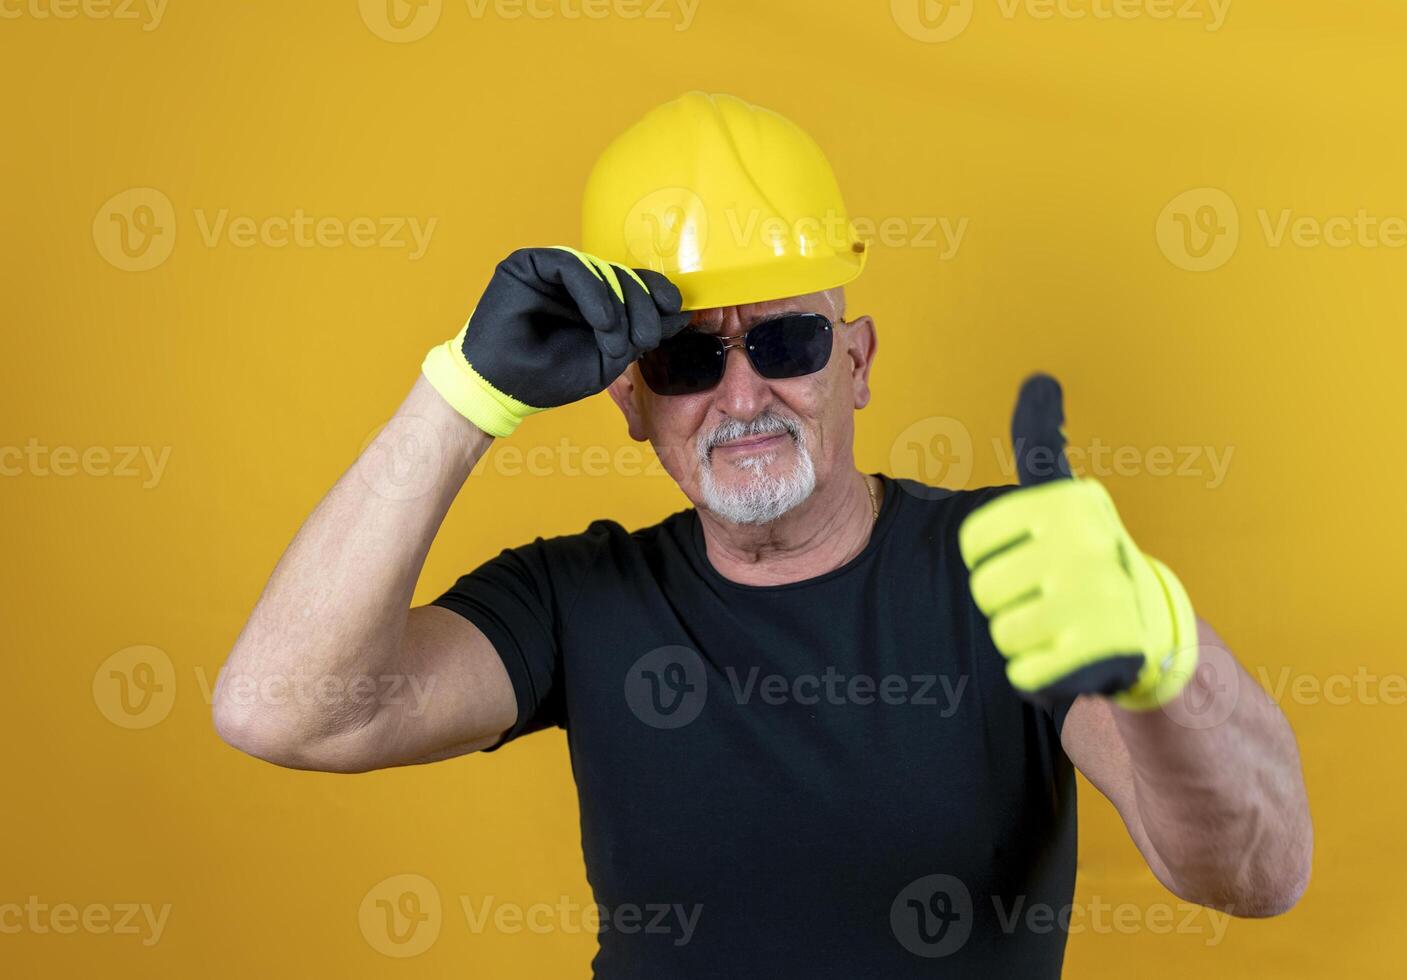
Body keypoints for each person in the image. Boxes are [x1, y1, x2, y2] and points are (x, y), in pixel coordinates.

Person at [213, 92, 1312, 977]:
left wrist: (1165, 656)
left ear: (858, 361)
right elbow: (278, 708)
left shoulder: (1016, 571)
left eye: (787, 337)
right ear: (632, 403)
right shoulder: (578, 597)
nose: (741, 396)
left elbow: (1257, 871)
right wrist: (463, 393)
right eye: (689, 360)